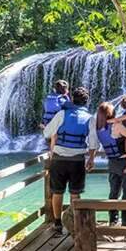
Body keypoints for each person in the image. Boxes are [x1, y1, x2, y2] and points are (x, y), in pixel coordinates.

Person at [43, 87, 98, 236]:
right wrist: (91, 159)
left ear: (72, 99)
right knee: (75, 193)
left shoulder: (62, 114)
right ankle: (75, 222)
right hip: (78, 161)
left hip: (59, 159)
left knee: (57, 192)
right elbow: (93, 142)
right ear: (87, 101)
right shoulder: (90, 117)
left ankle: (57, 223)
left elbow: (47, 133)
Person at [91, 102, 126, 226]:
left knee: (113, 192)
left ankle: (113, 220)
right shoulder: (116, 126)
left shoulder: (97, 128)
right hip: (124, 161)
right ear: (111, 113)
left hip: (112, 163)